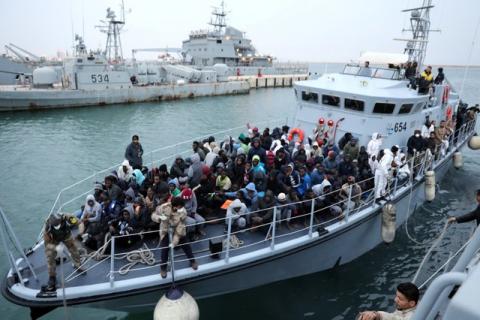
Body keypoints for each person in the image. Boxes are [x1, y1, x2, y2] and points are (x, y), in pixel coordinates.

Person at [152, 197, 198, 278]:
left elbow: (180, 229)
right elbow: (153, 214)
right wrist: (159, 218)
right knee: (165, 249)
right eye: (180, 206)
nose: (181, 208)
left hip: (177, 231)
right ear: (175, 206)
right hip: (165, 231)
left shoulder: (183, 213)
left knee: (186, 245)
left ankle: (192, 261)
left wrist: (174, 242)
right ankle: (163, 268)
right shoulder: (164, 207)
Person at [43, 213, 85, 290]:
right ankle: (52, 276)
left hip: (66, 236)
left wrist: (80, 233)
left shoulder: (67, 217)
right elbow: (47, 243)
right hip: (54, 240)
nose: (56, 226)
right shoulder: (48, 226)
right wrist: (55, 247)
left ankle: (78, 264)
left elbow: (80, 223)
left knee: (74, 249)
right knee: (50, 256)